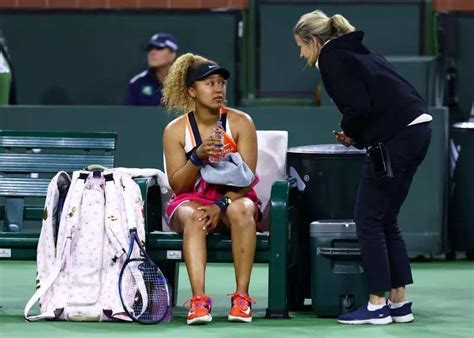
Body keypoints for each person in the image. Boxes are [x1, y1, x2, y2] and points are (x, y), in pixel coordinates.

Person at [293, 10, 432, 325]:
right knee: (385, 219)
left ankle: (376, 304)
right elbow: (372, 102)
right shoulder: (355, 50)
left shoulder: (332, 59)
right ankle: (399, 302)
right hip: (417, 129)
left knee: (367, 220)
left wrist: (350, 131)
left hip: (397, 136)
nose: (301, 54)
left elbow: (359, 108)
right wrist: (356, 133)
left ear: (314, 41)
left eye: (301, 46)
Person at [162, 53, 260, 325]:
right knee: (195, 216)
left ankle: (241, 298)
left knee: (242, 210)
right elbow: (178, 185)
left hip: (233, 197)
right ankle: (199, 301)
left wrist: (221, 205)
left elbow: (248, 180)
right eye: (209, 83)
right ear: (191, 91)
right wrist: (197, 156)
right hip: (192, 199)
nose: (218, 89)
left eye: (221, 83)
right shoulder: (175, 130)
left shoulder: (241, 122)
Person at [124, 33, 178, 106]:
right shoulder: (138, 82)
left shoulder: (187, 83)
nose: (152, 52)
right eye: (150, 48)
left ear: (172, 55)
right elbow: (127, 114)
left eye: (159, 48)